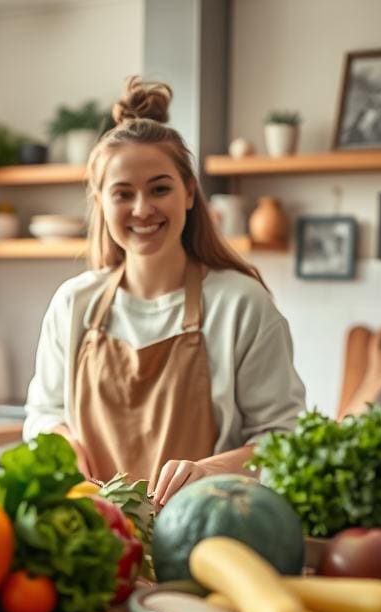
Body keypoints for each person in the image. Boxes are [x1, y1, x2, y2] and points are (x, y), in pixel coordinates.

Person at [23, 76, 305, 506]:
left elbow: (283, 439)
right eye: (123, 193)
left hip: (207, 528)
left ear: (189, 192)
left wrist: (210, 471)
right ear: (100, 202)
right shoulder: (73, 303)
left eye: (159, 189)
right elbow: (43, 416)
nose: (142, 209)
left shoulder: (242, 305)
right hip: (94, 528)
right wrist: (62, 446)